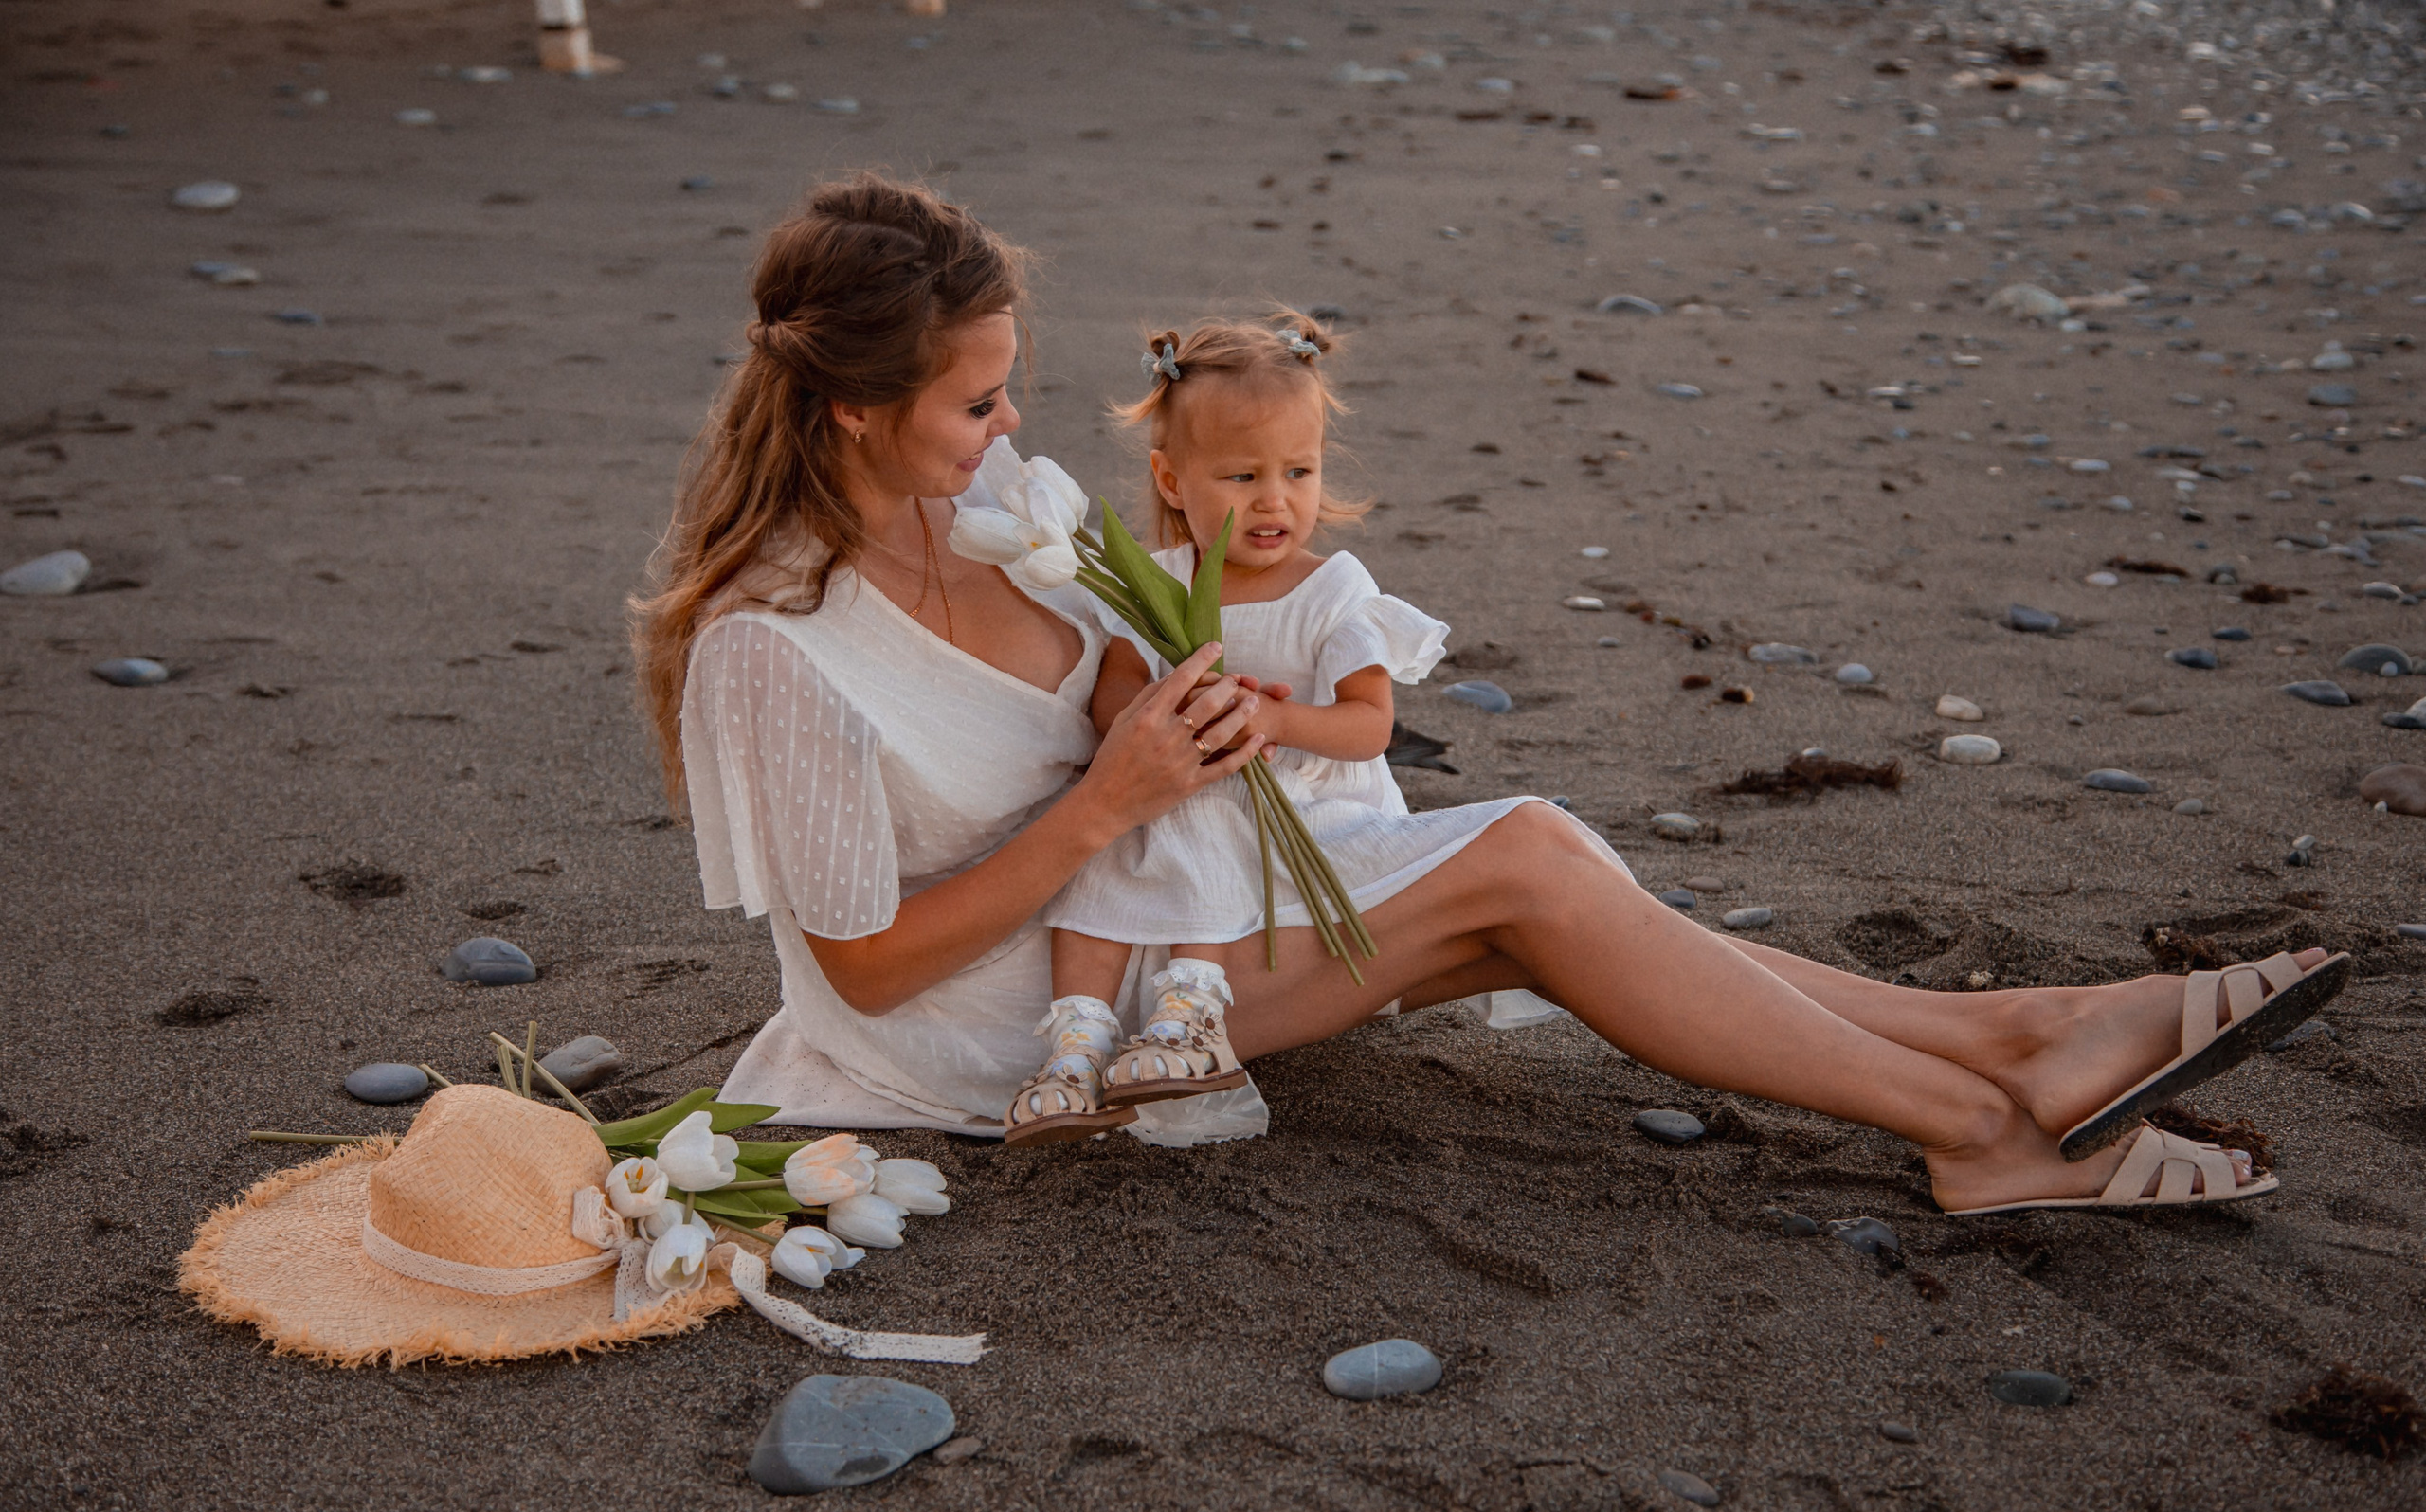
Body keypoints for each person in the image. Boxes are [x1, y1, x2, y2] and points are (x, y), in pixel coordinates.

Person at [632, 173, 2345, 1213]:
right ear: (854, 409)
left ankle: (2028, 1035)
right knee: (1526, 856)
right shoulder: (771, 648)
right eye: (976, 405)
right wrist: (1117, 798)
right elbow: (860, 964)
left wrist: (1190, 715)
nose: (1014, 431)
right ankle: (1982, 1121)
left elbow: (1133, 694)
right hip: (1005, 1025)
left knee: (1547, 883)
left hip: (1174, 903)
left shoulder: (1015, 528)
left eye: (1007, 395)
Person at [1006, 313, 1504, 1146]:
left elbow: (1368, 726)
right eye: (1242, 475)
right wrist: (1149, 722)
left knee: (1207, 813)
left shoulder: (1333, 589)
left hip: (1306, 812)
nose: (1276, 499)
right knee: (1094, 850)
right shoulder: (1154, 584)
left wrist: (1273, 715)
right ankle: (1076, 1041)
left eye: (1299, 471)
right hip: (1182, 783)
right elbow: (1115, 691)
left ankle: (1192, 1009)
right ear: (1172, 480)